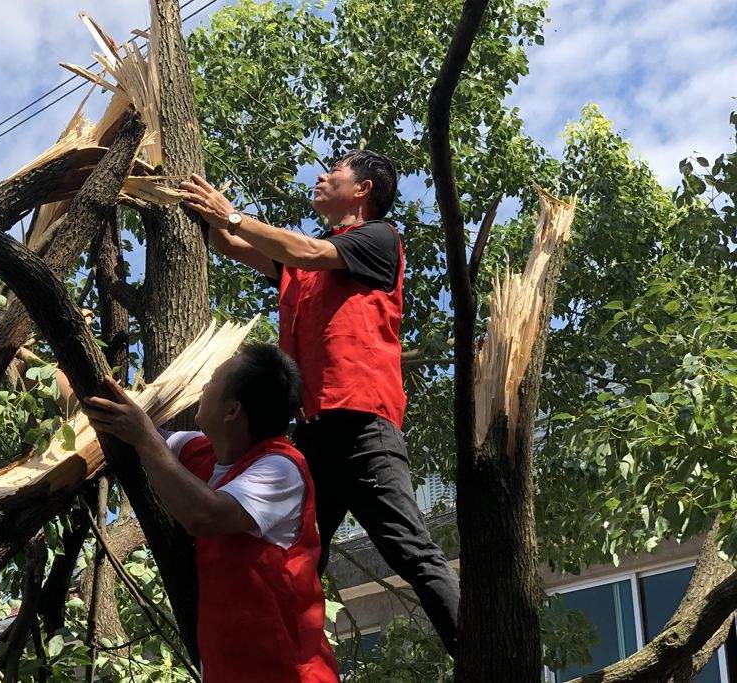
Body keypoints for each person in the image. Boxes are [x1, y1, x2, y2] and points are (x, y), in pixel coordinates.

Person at [179, 150, 460, 655]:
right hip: (310, 431)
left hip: (361, 423)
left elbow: (302, 251)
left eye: (338, 170)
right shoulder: (303, 265)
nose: (323, 176)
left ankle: (480, 653)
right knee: (299, 559)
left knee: (408, 548)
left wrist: (232, 213)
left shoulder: (377, 238)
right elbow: (231, 243)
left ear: (364, 190)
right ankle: (285, 662)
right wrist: (195, 207)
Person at [81, 343, 339, 682]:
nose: (204, 385)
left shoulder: (280, 468)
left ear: (232, 411)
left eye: (214, 379)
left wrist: (144, 437)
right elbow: (128, 424)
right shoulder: (202, 453)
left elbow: (204, 515)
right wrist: (36, 362)